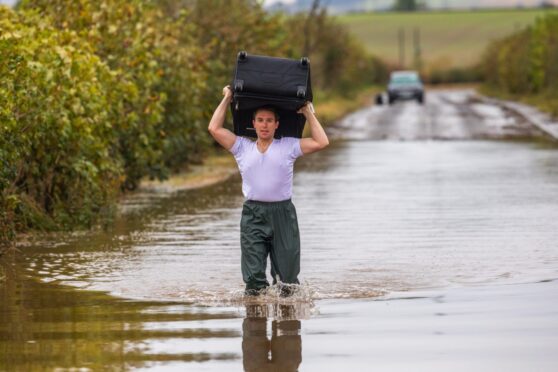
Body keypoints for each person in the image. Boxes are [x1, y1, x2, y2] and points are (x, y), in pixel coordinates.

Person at [208, 86, 329, 295]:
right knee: (253, 280)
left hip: (283, 214)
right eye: (261, 120)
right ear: (253, 124)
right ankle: (256, 320)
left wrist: (308, 112)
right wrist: (228, 98)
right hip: (253, 215)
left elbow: (321, 141)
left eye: (269, 121)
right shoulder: (241, 147)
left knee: (287, 281)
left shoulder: (288, 146)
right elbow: (214, 129)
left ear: (276, 125)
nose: (265, 125)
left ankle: (287, 322)